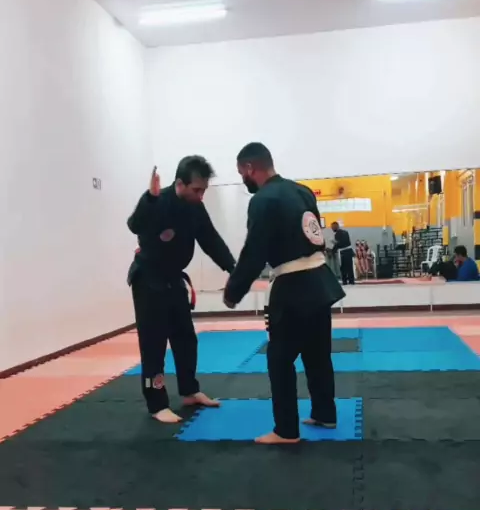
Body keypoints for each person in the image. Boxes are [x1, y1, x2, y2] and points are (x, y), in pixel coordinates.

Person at [223, 143, 345, 445]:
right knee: (318, 353)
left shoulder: (263, 200)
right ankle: (325, 413)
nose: (243, 180)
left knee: (279, 358)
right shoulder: (302, 191)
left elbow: (255, 251)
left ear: (250, 168)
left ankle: (286, 430)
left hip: (292, 287)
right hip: (320, 282)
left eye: (241, 173)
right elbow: (314, 234)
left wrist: (233, 290)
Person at [127, 157, 236, 423]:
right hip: (148, 280)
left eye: (204, 190)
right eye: (196, 190)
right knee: (153, 343)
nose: (201, 196)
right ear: (179, 183)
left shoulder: (196, 208)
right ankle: (157, 404)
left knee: (185, 338)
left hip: (173, 280)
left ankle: (189, 391)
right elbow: (134, 225)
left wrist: (233, 268)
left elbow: (210, 239)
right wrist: (149, 198)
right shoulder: (157, 201)